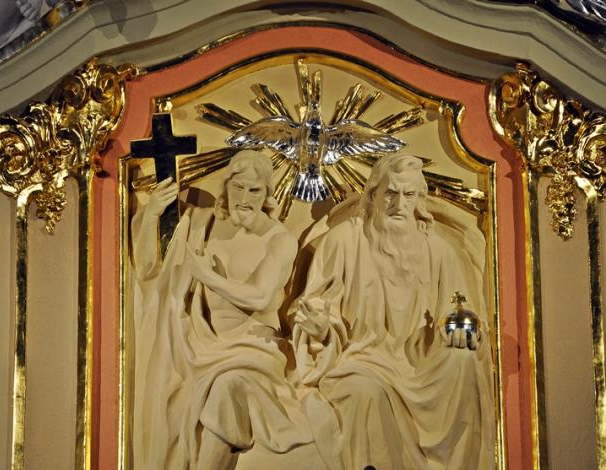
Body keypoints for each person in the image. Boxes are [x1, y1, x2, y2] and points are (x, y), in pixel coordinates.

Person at [292, 154, 495, 470]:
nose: (399, 204)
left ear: (419, 199)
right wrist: (321, 329)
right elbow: (315, 306)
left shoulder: (439, 251)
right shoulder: (343, 242)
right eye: (390, 193)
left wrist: (459, 332)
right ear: (373, 195)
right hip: (360, 361)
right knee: (367, 392)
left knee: (464, 362)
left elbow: (459, 311)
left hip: (421, 364)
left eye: (408, 194)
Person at [131, 150, 312, 470]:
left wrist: (207, 276)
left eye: (255, 190)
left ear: (267, 195)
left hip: (254, 348)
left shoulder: (279, 239)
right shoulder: (200, 224)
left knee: (228, 385)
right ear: (226, 187)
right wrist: (151, 215)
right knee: (170, 399)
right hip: (196, 346)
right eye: (238, 187)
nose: (245, 199)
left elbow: (259, 297)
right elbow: (147, 268)